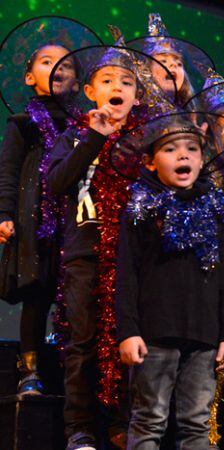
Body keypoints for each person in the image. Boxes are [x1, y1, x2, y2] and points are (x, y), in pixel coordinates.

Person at [46, 31, 171, 450]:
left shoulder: (146, 142)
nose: (117, 88)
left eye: (127, 82)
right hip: (84, 252)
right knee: (82, 342)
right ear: (89, 90)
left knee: (129, 339)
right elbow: (58, 182)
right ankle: (78, 427)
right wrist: (96, 137)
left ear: (139, 95)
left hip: (132, 257)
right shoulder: (76, 134)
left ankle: (123, 421)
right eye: (108, 80)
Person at [114, 113, 224, 448]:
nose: (183, 155)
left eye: (192, 149)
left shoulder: (216, 208)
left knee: (197, 423)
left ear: (201, 159)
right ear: (151, 163)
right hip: (155, 332)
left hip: (204, 334)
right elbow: (127, 273)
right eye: (170, 149)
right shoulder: (142, 208)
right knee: (149, 419)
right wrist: (129, 330)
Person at [0, 16, 98, 395]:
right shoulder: (22, 123)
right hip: (34, 214)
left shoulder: (83, 125)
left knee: (74, 295)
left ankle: (67, 370)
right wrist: (5, 215)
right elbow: (8, 171)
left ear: (78, 81)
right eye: (46, 62)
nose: (58, 68)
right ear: (29, 77)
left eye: (67, 64)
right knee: (38, 295)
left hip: (76, 216)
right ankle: (30, 370)